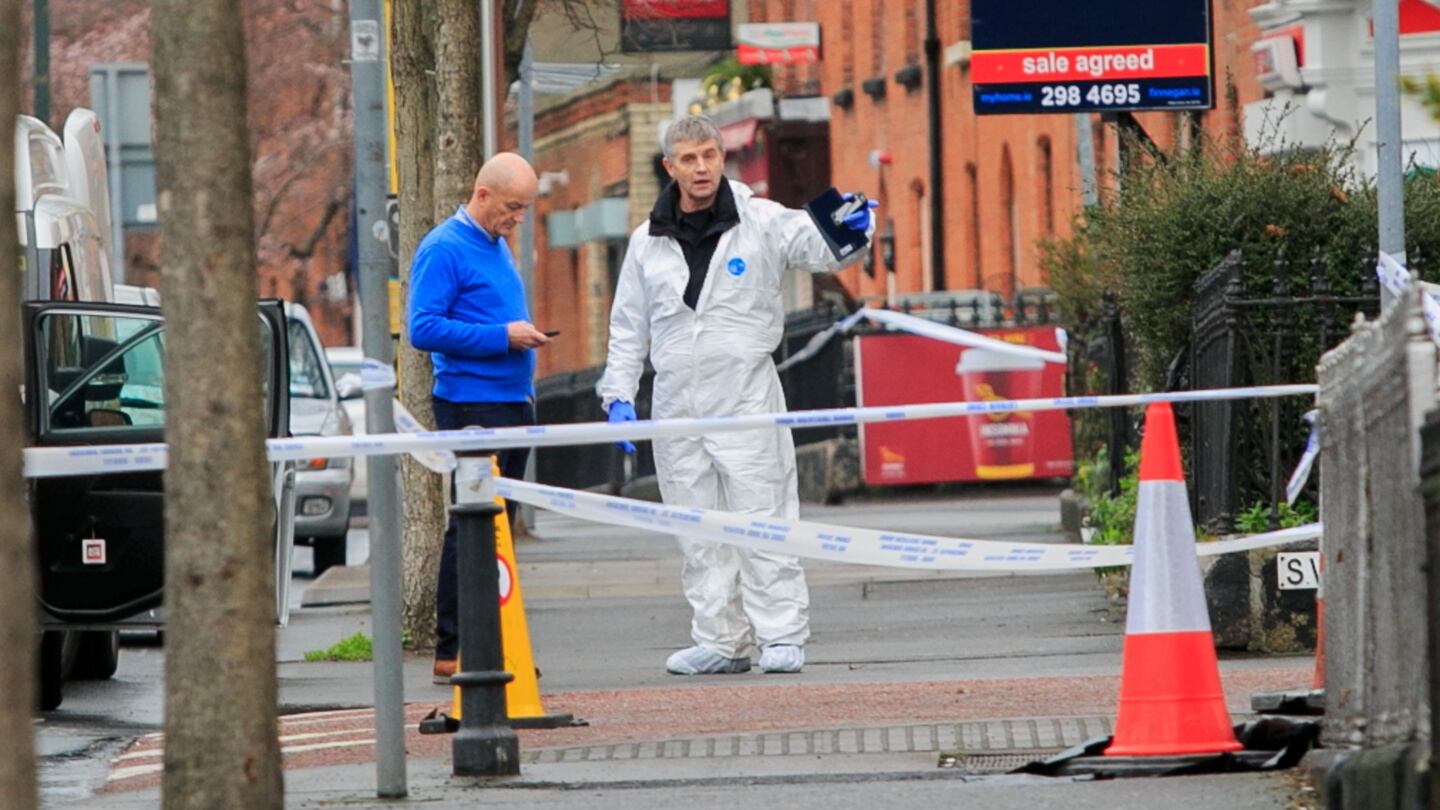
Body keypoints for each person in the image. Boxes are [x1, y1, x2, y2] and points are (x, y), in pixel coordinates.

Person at [596, 115, 876, 675]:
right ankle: (719, 639)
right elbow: (629, 325)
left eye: (709, 155)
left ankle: (780, 634)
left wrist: (852, 229)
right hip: (677, 406)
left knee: (762, 517)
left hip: (746, 399)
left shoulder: (760, 220)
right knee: (697, 528)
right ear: (669, 166)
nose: (701, 168)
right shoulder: (646, 242)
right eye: (689, 158)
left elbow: (820, 246)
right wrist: (617, 394)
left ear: (722, 158)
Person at [408, 151, 548, 684]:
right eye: (512, 207)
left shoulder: (495, 245)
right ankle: (455, 646)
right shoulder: (445, 247)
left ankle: (496, 642)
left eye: (525, 210)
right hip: (473, 403)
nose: (517, 219)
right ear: (482, 194)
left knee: (499, 528)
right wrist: (502, 338)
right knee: (472, 526)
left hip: (511, 399)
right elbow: (423, 328)